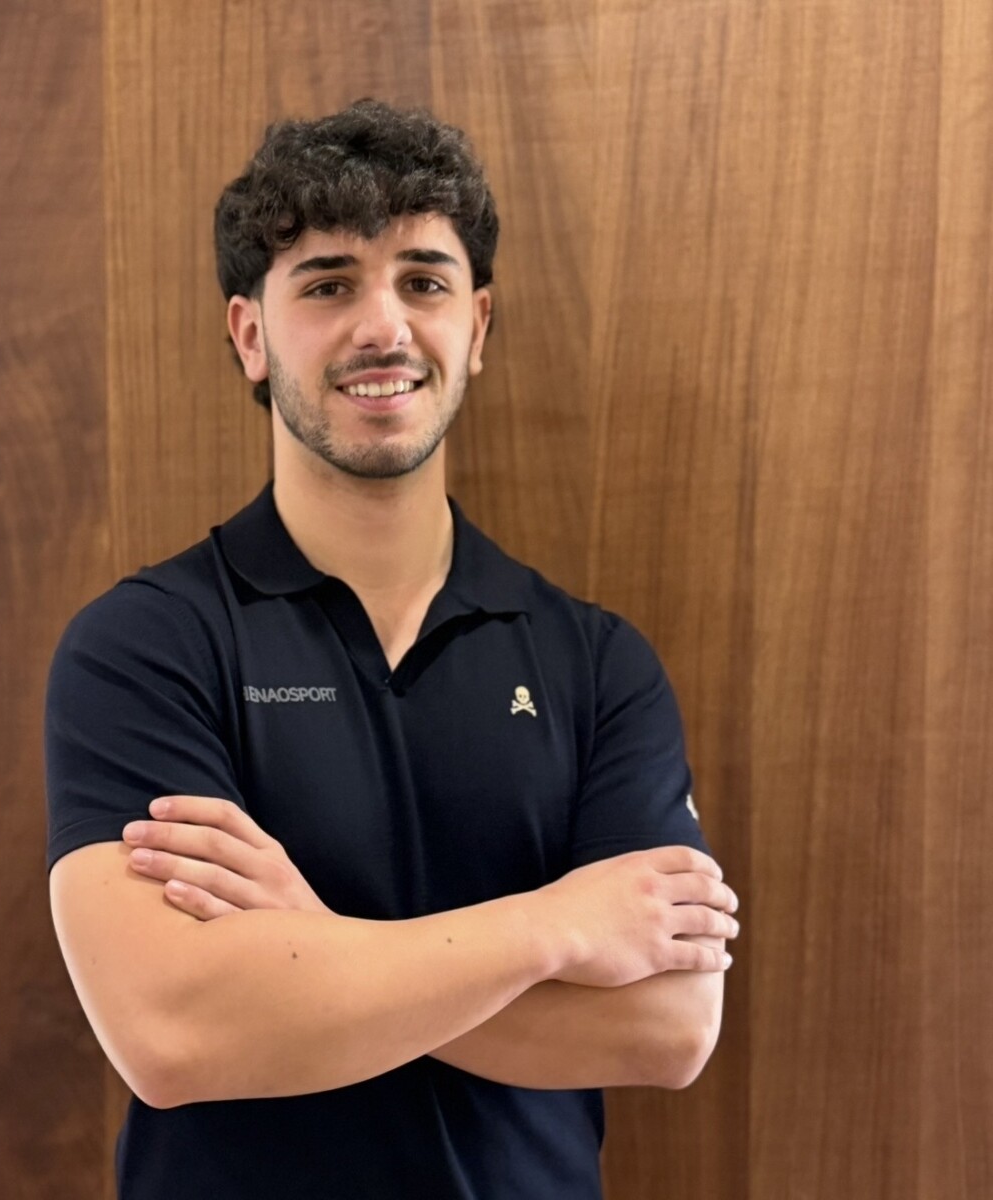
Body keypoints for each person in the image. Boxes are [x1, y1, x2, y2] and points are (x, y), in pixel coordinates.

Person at [45, 98, 740, 1200]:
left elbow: (665, 1027)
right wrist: (553, 928)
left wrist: (311, 948)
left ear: (478, 325)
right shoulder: (145, 647)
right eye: (328, 285)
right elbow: (174, 1032)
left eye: (423, 281)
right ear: (251, 335)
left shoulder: (598, 664)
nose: (384, 327)